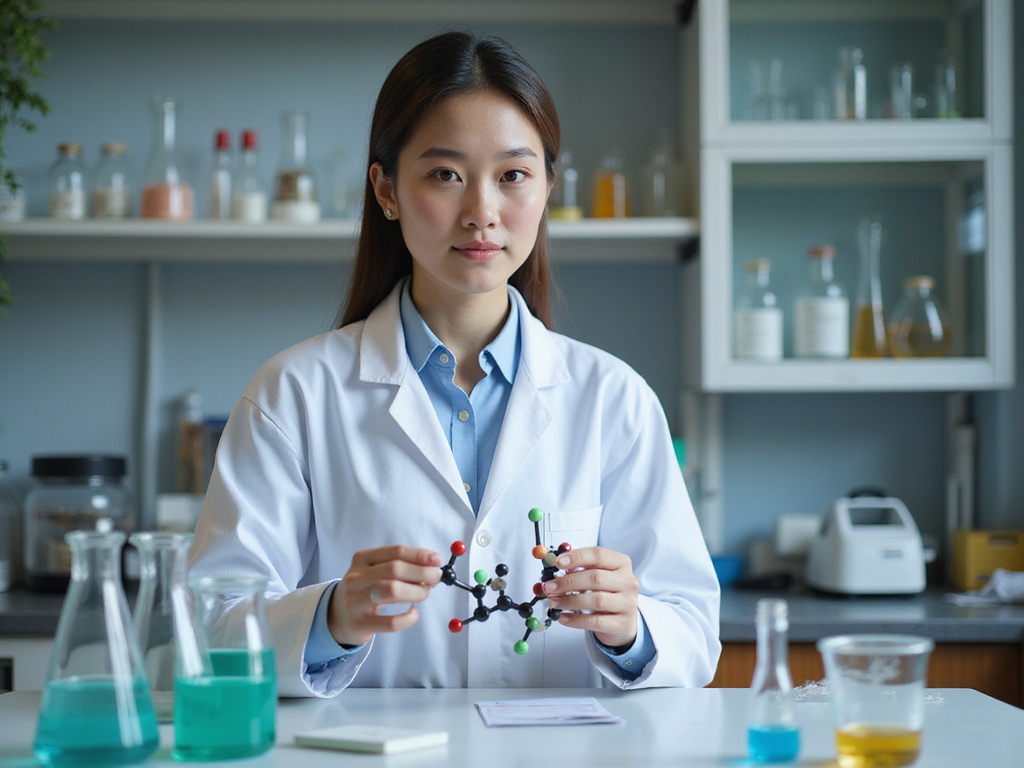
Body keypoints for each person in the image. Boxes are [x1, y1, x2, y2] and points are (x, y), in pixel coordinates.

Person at [188, 31, 720, 696]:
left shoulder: (614, 398)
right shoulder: (293, 393)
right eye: (446, 174)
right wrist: (332, 617)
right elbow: (212, 627)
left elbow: (694, 632)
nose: (481, 213)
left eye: (513, 176)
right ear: (385, 190)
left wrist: (630, 629)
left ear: (548, 188)